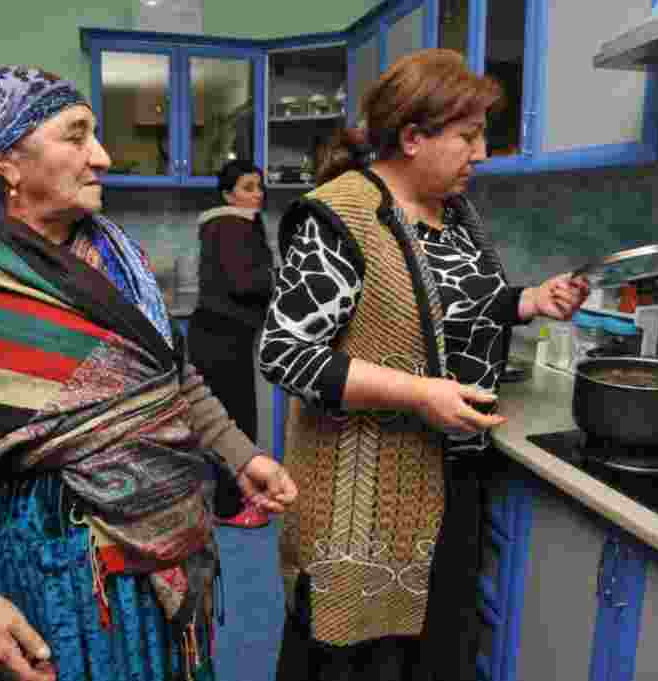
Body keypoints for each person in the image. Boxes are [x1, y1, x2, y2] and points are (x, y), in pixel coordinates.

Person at [0, 65, 296, 681]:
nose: (102, 154)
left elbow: (172, 378)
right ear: (6, 161)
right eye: (76, 135)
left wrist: (242, 456)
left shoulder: (118, 259)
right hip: (33, 600)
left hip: (152, 594)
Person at [258, 48, 589, 681]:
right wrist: (416, 393)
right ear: (412, 137)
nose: (482, 153)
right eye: (468, 136)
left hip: (453, 479)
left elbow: (456, 306)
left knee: (432, 655)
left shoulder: (456, 212)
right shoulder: (340, 216)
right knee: (354, 658)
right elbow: (287, 354)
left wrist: (529, 300)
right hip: (362, 496)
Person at [189, 160, 276, 529]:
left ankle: (228, 501)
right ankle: (228, 510)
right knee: (233, 423)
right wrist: (280, 276)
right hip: (221, 338)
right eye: (247, 187)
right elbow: (245, 282)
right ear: (228, 194)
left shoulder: (229, 224)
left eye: (259, 186)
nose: (256, 194)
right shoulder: (231, 224)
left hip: (222, 336)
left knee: (230, 420)